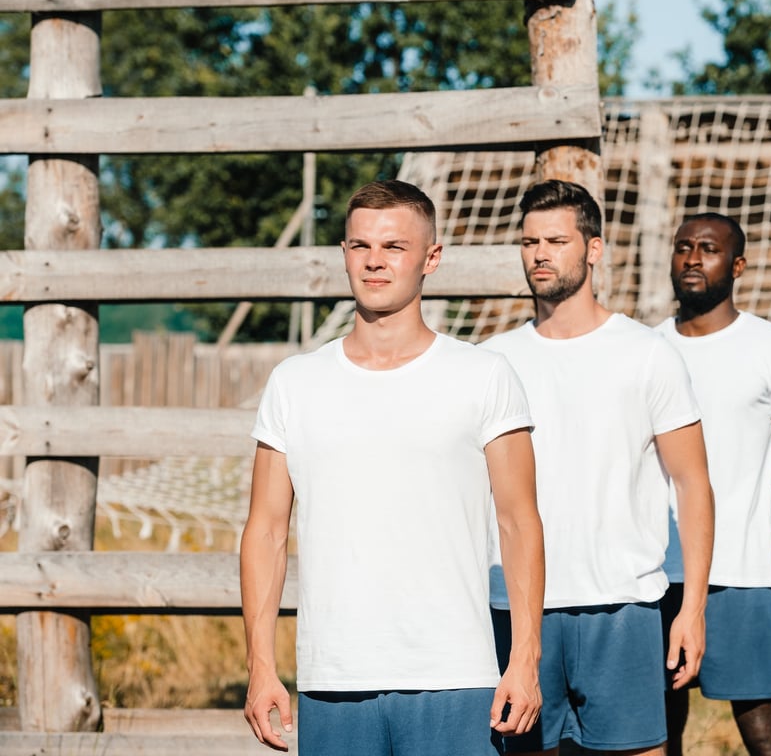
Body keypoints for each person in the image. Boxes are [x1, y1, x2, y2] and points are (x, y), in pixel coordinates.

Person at [239, 179, 545, 755]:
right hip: (334, 679)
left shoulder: (484, 376)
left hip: (454, 675)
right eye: (360, 246)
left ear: (431, 258)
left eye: (394, 247)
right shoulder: (294, 384)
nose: (374, 262)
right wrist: (260, 665)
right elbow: (265, 531)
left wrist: (524, 658)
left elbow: (519, 523)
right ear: (345, 254)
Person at [483, 179, 715, 755]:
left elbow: (693, 485)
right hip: (515, 609)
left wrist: (692, 609)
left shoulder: (648, 354)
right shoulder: (491, 362)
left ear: (593, 249)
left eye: (556, 240)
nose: (539, 253)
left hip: (623, 608)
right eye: (529, 240)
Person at [656, 213, 771, 756]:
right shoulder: (644, 348)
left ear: (738, 265)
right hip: (654, 573)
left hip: (738, 577)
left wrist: (756, 547)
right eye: (682, 248)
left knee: (762, 729)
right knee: (658, 726)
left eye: (708, 249)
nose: (693, 259)